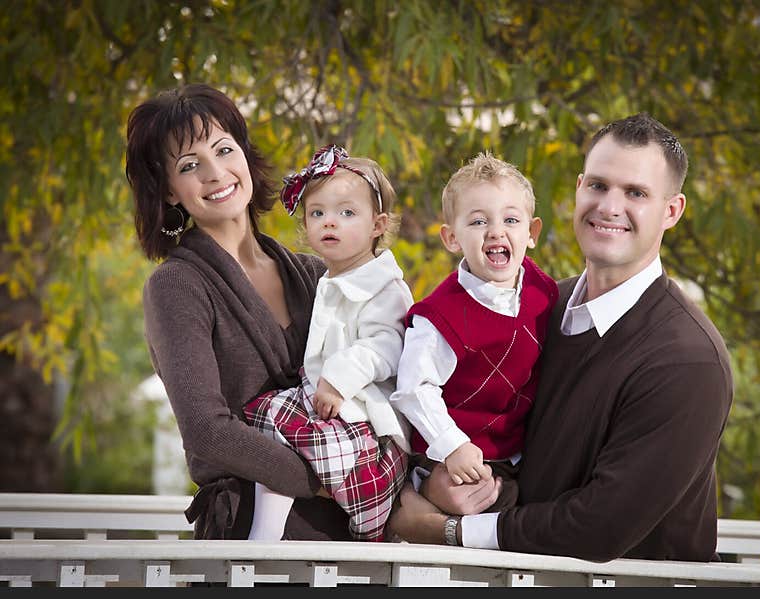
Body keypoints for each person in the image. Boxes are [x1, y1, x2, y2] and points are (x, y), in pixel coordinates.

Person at [389, 112, 734, 563]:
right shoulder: (537, 307)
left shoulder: (688, 362)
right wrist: (440, 482)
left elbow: (600, 526)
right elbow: (478, 421)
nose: (609, 206)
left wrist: (450, 531)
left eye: (635, 193)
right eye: (597, 185)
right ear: (577, 188)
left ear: (672, 211)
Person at [126, 83, 352, 541]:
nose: (215, 173)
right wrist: (328, 478)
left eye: (224, 149)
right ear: (170, 193)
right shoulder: (178, 286)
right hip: (250, 532)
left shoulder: (315, 274)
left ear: (245, 157)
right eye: (190, 165)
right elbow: (208, 432)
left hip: (352, 527)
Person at [243, 144, 413, 541]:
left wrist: (338, 377)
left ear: (377, 225)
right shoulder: (328, 278)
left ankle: (364, 531)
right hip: (321, 400)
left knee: (330, 455)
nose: (329, 223)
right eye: (317, 213)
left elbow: (388, 344)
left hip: (363, 418)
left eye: (346, 213)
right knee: (265, 422)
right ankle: (265, 531)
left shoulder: (385, 285)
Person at [391, 153, 558, 514]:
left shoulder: (543, 292)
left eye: (511, 220)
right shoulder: (441, 317)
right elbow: (413, 388)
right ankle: (419, 502)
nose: (496, 231)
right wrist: (452, 446)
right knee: (486, 505)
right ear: (452, 238)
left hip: (517, 448)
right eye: (479, 221)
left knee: (549, 496)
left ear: (531, 234)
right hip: (455, 454)